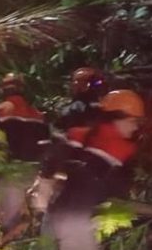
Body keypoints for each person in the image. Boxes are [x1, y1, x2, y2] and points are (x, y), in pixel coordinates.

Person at [43, 89, 144, 250]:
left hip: (60, 216)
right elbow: (115, 190)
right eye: (132, 121)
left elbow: (54, 162)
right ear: (116, 118)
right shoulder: (117, 148)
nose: (135, 127)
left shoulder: (80, 136)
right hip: (74, 221)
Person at [30, 67, 108, 216]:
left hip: (73, 165)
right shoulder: (105, 108)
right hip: (96, 168)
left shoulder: (75, 108)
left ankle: (41, 206)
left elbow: (62, 137)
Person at [0, 72, 49, 242]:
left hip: (7, 172)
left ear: (2, 89)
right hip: (33, 173)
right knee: (33, 215)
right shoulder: (38, 115)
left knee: (9, 219)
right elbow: (46, 144)